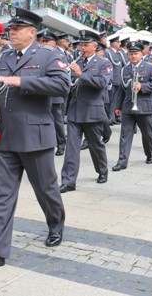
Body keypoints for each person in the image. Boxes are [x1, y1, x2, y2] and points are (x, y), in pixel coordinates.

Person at [0, 7, 69, 269]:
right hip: (8, 135)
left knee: (45, 189)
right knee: (2, 195)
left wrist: (22, 81)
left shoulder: (47, 55)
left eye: (17, 29)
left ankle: (55, 223)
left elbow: (62, 85)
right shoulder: (4, 57)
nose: (12, 33)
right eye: (10, 29)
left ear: (32, 32)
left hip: (36, 136)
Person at [59, 30, 112, 193]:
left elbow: (102, 83)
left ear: (95, 46)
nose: (82, 48)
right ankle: (68, 181)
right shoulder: (77, 61)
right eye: (81, 45)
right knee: (72, 148)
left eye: (86, 45)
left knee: (96, 145)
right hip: (75, 110)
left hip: (92, 111)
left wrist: (80, 74)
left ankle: (102, 170)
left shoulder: (104, 63)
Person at [112, 41, 152, 171]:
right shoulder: (125, 69)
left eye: (136, 53)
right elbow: (121, 89)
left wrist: (143, 86)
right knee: (125, 135)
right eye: (131, 54)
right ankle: (122, 161)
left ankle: (150, 154)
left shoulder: (150, 67)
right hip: (128, 106)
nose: (133, 56)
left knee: (147, 134)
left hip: (144, 107)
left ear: (141, 54)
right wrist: (118, 106)